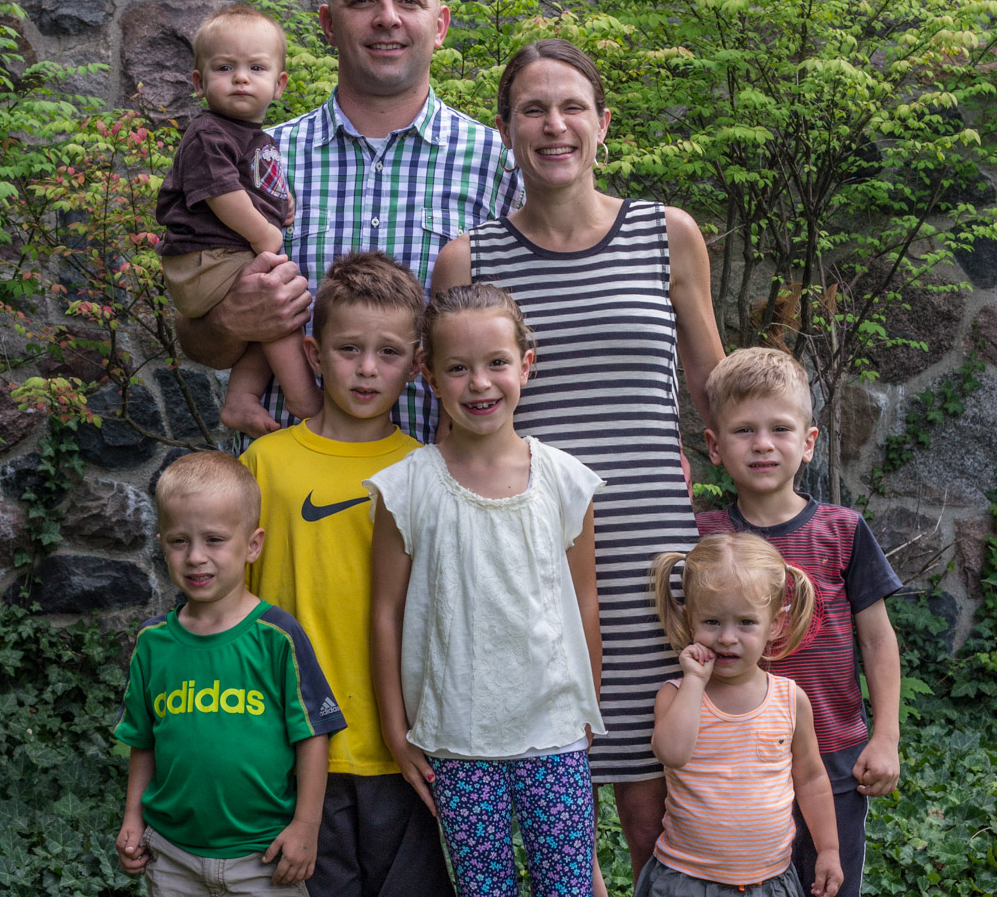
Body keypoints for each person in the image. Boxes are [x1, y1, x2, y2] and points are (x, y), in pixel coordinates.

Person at [431, 37, 726, 885]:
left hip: (652, 562)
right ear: (505, 128)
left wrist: (752, 521)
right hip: (527, 568)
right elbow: (452, 419)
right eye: (532, 108)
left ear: (602, 124)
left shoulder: (666, 234)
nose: (553, 124)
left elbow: (711, 385)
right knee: (555, 816)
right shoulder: (470, 258)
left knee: (654, 815)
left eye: (571, 107)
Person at [175, 0, 522, 444]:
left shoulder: (501, 165)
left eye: (408, 0)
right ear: (328, 25)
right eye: (363, 0)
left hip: (446, 493)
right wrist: (230, 320)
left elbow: (533, 343)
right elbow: (195, 335)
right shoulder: (256, 161)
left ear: (440, 24)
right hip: (289, 498)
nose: (387, 17)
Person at [368, 283, 605, 896]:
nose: (479, 383)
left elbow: (583, 602)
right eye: (458, 368)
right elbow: (386, 612)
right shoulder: (407, 486)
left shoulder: (563, 479)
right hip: (454, 736)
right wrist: (398, 733)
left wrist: (585, 706)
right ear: (428, 375)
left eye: (497, 363)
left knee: (570, 887)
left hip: (553, 732)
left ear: (526, 364)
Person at [240, 250, 454, 897]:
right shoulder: (265, 464)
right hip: (294, 759)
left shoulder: (429, 471)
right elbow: (233, 617)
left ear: (417, 365)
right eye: (348, 349)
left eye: (389, 353)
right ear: (312, 352)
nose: (366, 369)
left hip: (404, 753)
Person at [696, 347, 902, 897]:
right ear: (715, 447)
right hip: (734, 757)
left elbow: (878, 639)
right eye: (743, 430)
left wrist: (886, 736)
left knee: (828, 882)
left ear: (809, 444)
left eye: (780, 428)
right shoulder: (704, 540)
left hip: (835, 756)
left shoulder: (844, 530)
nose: (762, 444)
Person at [114, 451, 346, 895]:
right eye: (179, 541)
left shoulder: (276, 636)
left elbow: (314, 735)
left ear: (253, 544)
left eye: (215, 539)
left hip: (262, 857)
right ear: (162, 544)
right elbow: (143, 742)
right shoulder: (153, 643)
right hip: (172, 856)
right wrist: (133, 817)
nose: (196, 557)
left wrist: (306, 826)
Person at [643, 532, 844, 897]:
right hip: (686, 880)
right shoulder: (675, 695)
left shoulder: (789, 699)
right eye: (712, 622)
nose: (727, 638)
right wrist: (693, 681)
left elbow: (812, 779)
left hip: (769, 883)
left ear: (776, 624)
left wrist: (828, 849)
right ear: (690, 621)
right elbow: (671, 753)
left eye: (746, 622)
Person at [156, 4, 322, 438]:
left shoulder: (255, 136)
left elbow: (253, 184)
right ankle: (307, 402)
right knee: (281, 300)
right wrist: (265, 231)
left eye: (256, 67)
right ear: (199, 82)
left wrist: (279, 204)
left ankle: (241, 400)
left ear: (279, 84)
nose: (241, 78)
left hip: (222, 254)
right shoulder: (209, 132)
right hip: (205, 257)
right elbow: (220, 193)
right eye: (225, 67)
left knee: (264, 319)